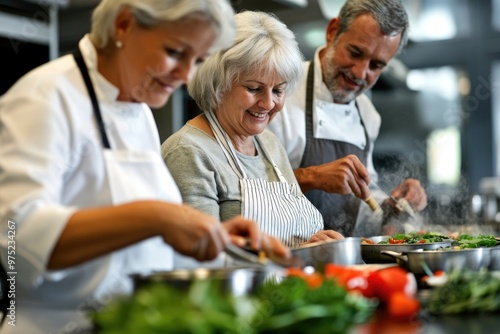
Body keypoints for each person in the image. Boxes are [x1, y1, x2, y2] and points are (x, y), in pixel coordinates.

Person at [0, 1, 289, 333]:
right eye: (175, 52)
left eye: (196, 60)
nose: (185, 76)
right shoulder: (44, 98)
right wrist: (159, 217)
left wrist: (214, 238)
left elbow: (141, 247)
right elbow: (16, 237)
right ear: (124, 24)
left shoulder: (136, 107)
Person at [162, 10, 344, 250]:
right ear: (219, 84)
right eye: (254, 88)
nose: (268, 104)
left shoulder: (269, 144)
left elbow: (296, 233)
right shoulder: (189, 152)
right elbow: (203, 252)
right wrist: (292, 254)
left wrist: (321, 246)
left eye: (278, 91)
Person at [267, 0, 428, 237]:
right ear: (333, 31)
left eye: (376, 65)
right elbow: (247, 187)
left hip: (343, 259)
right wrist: (313, 177)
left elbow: (362, 199)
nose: (360, 73)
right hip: (283, 256)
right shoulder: (278, 89)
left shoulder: (368, 115)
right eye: (355, 53)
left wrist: (391, 204)